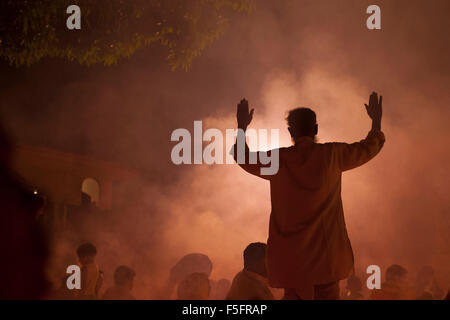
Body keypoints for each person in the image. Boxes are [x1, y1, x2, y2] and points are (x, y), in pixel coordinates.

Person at [232, 92, 385, 299]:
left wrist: (242, 126)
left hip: (291, 261)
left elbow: (243, 156)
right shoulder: (332, 155)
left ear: (290, 132)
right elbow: (370, 147)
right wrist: (376, 121)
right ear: (315, 129)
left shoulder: (278, 160)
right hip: (327, 259)